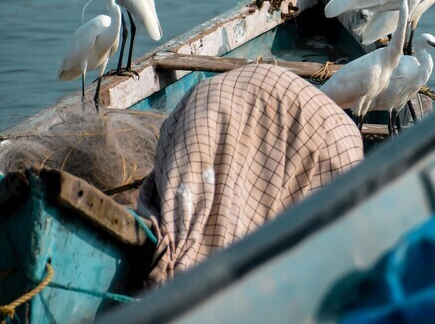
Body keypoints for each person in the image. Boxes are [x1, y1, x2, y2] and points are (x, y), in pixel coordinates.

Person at [137, 62, 363, 284]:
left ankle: (181, 268)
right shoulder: (343, 153)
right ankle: (197, 282)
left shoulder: (337, 148)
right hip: (247, 107)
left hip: (208, 99)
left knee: (191, 203)